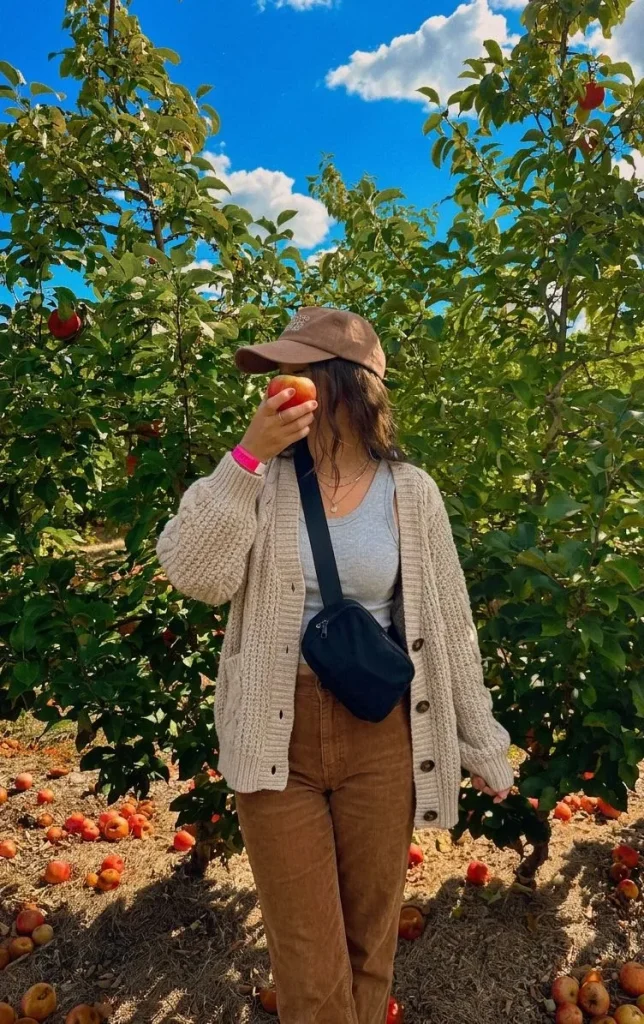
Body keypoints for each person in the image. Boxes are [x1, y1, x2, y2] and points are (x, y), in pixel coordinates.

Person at [156, 306, 514, 1024]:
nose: (279, 386)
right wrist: (246, 457)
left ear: (346, 387)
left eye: (297, 372)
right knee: (309, 965)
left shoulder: (411, 493)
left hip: (379, 736)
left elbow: (449, 625)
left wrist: (481, 741)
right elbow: (192, 572)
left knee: (368, 945)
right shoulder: (260, 479)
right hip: (274, 735)